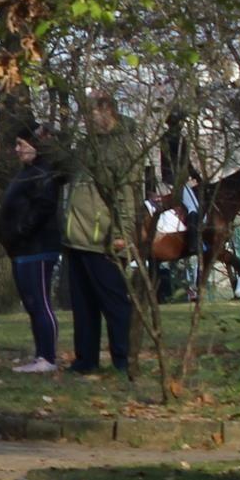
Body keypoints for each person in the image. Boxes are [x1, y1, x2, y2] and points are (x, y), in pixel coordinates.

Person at [60, 92, 145, 378]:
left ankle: (123, 359)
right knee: (83, 306)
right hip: (78, 236)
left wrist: (122, 233)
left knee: (114, 302)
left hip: (104, 239)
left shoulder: (123, 147)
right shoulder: (87, 145)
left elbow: (128, 194)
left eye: (90, 113)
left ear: (107, 110)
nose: (86, 119)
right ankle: (86, 359)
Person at [0, 127, 65, 373]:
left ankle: (48, 357)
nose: (17, 149)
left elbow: (43, 207)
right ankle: (40, 354)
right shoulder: (27, 173)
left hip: (38, 247)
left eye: (20, 143)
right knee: (32, 303)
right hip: (21, 249)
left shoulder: (43, 174)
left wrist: (22, 229)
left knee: (41, 301)